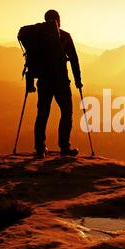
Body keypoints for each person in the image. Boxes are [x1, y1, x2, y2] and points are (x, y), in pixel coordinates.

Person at [27, 9, 83, 158]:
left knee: (43, 113)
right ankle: (64, 147)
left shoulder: (37, 37)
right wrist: (78, 80)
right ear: (58, 20)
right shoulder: (64, 36)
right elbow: (74, 59)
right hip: (61, 82)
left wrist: (30, 81)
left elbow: (31, 60)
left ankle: (40, 148)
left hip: (44, 82)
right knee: (66, 113)